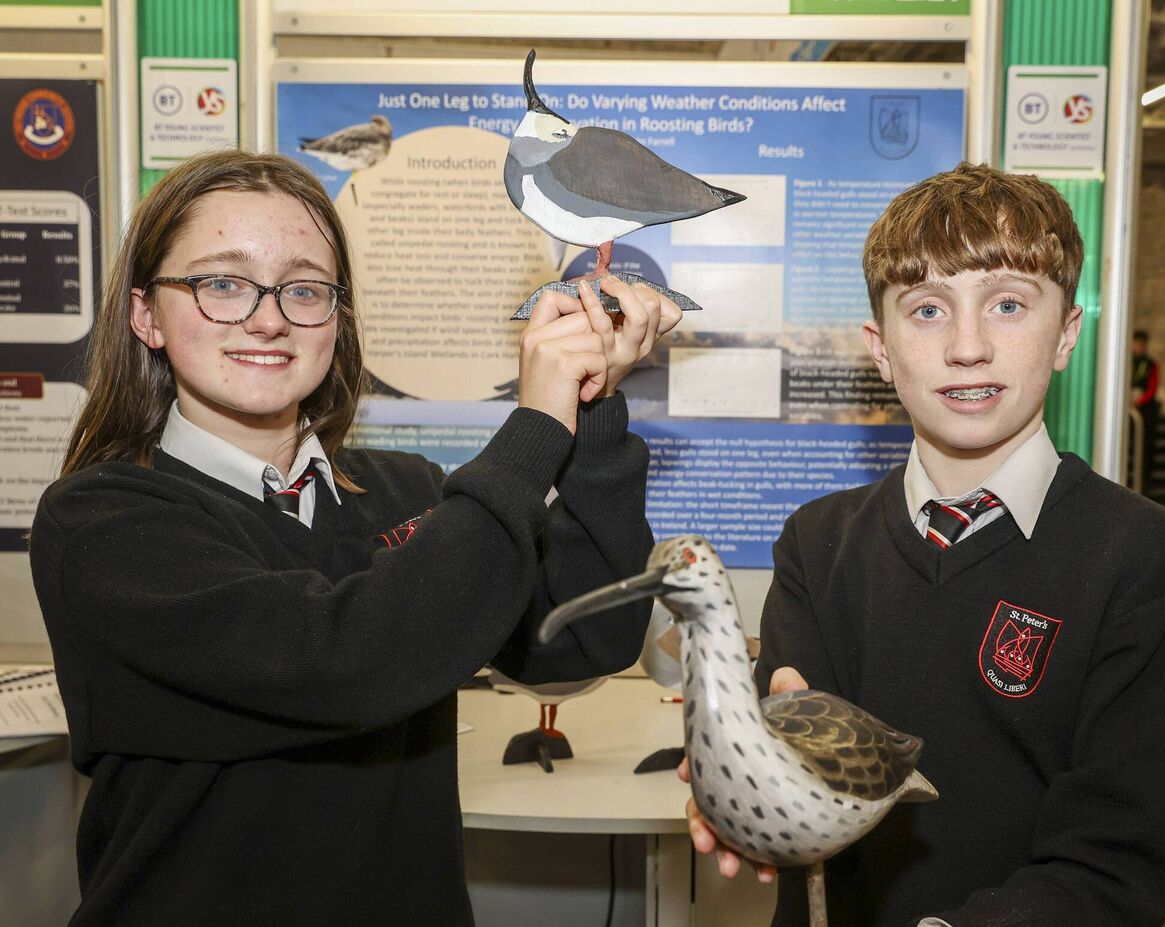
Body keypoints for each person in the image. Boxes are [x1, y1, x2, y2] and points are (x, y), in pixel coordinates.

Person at [28, 150, 681, 926]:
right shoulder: (101, 524)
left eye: (304, 288)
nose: (268, 317)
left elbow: (581, 639)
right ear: (146, 315)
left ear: (335, 318)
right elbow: (343, 660)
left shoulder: (403, 490)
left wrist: (591, 406)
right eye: (223, 283)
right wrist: (535, 427)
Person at [681, 162, 1165, 926]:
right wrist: (744, 780)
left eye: (1008, 305)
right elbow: (791, 784)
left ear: (1067, 332)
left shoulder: (1146, 559)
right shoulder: (817, 544)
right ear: (881, 348)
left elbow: (1112, 866)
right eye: (927, 310)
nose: (968, 345)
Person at [1130, 328, 1159, 487]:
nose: (1139, 347)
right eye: (1137, 343)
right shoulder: (1127, 362)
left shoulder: (1151, 364)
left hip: (1146, 410)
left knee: (1146, 445)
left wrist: (1139, 400)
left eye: (1142, 344)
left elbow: (1152, 388)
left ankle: (1145, 480)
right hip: (1129, 407)